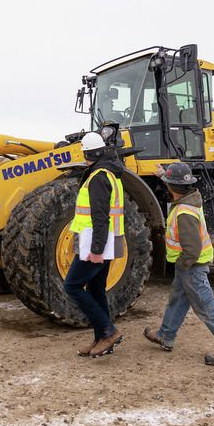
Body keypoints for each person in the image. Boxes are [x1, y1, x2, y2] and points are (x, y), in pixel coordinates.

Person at [144, 162, 214, 366]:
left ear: (172, 188)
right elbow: (175, 185)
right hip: (189, 266)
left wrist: (182, 263)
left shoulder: (184, 213)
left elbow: (192, 248)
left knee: (206, 307)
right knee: (177, 300)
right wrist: (164, 174)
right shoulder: (188, 200)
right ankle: (165, 335)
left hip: (191, 266)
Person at [63, 132, 126, 358]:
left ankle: (109, 331)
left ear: (85, 153)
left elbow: (100, 217)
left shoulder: (98, 177)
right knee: (96, 289)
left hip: (96, 244)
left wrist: (97, 251)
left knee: (72, 285)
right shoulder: (108, 173)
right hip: (104, 242)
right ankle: (101, 338)